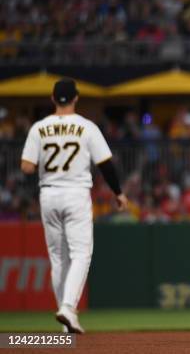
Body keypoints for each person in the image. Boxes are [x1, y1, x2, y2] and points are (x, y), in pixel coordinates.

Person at [20, 79, 128, 333]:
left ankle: (66, 323)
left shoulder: (39, 128)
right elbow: (105, 164)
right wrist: (119, 193)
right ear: (76, 98)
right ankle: (68, 308)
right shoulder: (86, 126)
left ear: (52, 98)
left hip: (48, 194)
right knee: (81, 254)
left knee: (58, 259)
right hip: (76, 193)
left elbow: (26, 166)